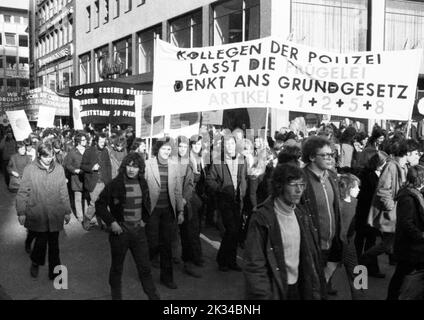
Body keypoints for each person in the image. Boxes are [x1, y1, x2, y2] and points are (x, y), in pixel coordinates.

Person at [243, 164, 326, 300]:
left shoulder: (301, 214)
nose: (299, 190)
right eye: (293, 184)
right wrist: (263, 295)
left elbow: (311, 256)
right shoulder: (262, 218)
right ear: (279, 186)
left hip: (298, 287)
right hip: (276, 290)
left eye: (302, 184)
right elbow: (254, 263)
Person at [95, 153, 160, 300]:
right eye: (129, 165)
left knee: (145, 268)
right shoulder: (115, 184)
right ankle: (116, 296)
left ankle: (153, 296)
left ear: (140, 169)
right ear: (124, 166)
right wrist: (112, 222)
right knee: (117, 268)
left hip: (139, 233)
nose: (132, 169)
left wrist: (144, 219)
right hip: (120, 233)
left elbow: (148, 203)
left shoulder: (143, 183)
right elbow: (100, 205)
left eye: (135, 166)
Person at [16, 140, 71, 279]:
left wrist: (67, 210)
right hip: (38, 213)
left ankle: (54, 272)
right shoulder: (30, 169)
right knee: (40, 243)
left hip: (54, 213)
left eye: (51, 155)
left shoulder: (59, 169)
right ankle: (35, 262)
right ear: (39, 155)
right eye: (45, 156)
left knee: (54, 246)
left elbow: (63, 191)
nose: (49, 159)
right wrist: (21, 212)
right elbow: (23, 192)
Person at [300, 136, 342, 295]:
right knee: (310, 290)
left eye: (331, 154)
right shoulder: (301, 179)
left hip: (331, 246)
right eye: (325, 155)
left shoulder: (331, 176)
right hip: (311, 247)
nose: (330, 158)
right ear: (311, 157)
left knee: (322, 288)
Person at [145, 138, 185, 289]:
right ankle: (146, 273)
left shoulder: (174, 166)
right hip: (152, 211)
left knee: (166, 244)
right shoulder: (148, 164)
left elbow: (177, 191)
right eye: (164, 149)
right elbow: (142, 188)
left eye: (169, 149)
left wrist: (180, 210)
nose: (166, 152)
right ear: (157, 149)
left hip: (168, 211)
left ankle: (167, 278)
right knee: (152, 243)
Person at [206, 134, 248, 272]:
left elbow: (244, 178)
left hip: (238, 200)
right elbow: (209, 180)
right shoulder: (218, 161)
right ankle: (222, 260)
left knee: (236, 231)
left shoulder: (242, 159)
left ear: (236, 145)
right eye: (227, 144)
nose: (230, 147)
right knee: (231, 230)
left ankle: (232, 261)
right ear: (224, 146)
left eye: (232, 143)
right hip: (225, 200)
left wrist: (243, 193)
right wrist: (220, 189)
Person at [364, 137, 408, 267]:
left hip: (396, 212)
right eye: (413, 153)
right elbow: (383, 190)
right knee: (387, 244)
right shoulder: (392, 166)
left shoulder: (401, 166)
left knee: (390, 244)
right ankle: (362, 261)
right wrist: (392, 208)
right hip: (392, 212)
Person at [387, 165, 424, 300]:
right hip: (410, 247)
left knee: (403, 274)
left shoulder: (415, 194)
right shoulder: (408, 197)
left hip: (413, 246)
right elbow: (406, 223)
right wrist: (420, 235)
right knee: (402, 275)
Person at [354, 151, 388, 278]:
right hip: (367, 213)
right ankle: (366, 269)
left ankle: (360, 268)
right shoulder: (371, 176)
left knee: (362, 241)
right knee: (368, 242)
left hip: (363, 212)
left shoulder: (366, 173)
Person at [337, 173, 365, 300]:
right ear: (347, 187)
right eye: (355, 187)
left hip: (350, 242)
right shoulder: (337, 203)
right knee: (328, 270)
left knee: (357, 270)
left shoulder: (356, 202)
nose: (358, 189)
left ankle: (360, 295)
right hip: (337, 242)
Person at [80, 132, 112, 230]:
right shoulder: (88, 151)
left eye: (104, 141)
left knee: (104, 203)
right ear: (96, 141)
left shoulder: (106, 151)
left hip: (104, 182)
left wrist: (109, 182)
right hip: (93, 182)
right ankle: (87, 219)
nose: (103, 143)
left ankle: (103, 223)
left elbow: (108, 166)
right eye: (101, 141)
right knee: (94, 203)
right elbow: (82, 165)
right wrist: (91, 168)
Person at [64, 133, 87, 222]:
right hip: (76, 178)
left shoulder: (87, 150)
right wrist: (74, 170)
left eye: (85, 140)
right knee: (78, 198)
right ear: (78, 142)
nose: (85, 141)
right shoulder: (73, 152)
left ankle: (87, 215)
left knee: (86, 197)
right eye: (83, 140)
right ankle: (80, 217)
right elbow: (68, 165)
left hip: (86, 177)